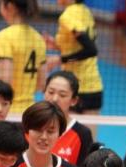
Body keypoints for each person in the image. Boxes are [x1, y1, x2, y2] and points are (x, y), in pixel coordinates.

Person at [44, 0, 103, 139]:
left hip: (72, 90)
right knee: (88, 144)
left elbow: (91, 50)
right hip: (94, 87)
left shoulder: (68, 15)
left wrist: (60, 59)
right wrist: (57, 46)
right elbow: (81, 45)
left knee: (66, 142)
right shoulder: (85, 11)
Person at [44, 70, 93, 167]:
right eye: (50, 92)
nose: (54, 99)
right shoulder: (30, 127)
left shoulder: (82, 134)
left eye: (62, 95)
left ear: (74, 100)